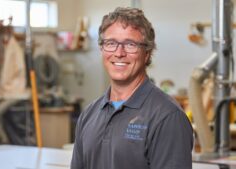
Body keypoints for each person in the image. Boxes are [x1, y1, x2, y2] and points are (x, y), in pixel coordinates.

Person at [70, 7, 193, 169]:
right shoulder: (88, 115)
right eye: (111, 43)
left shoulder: (168, 117)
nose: (119, 53)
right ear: (102, 49)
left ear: (147, 53)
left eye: (130, 44)